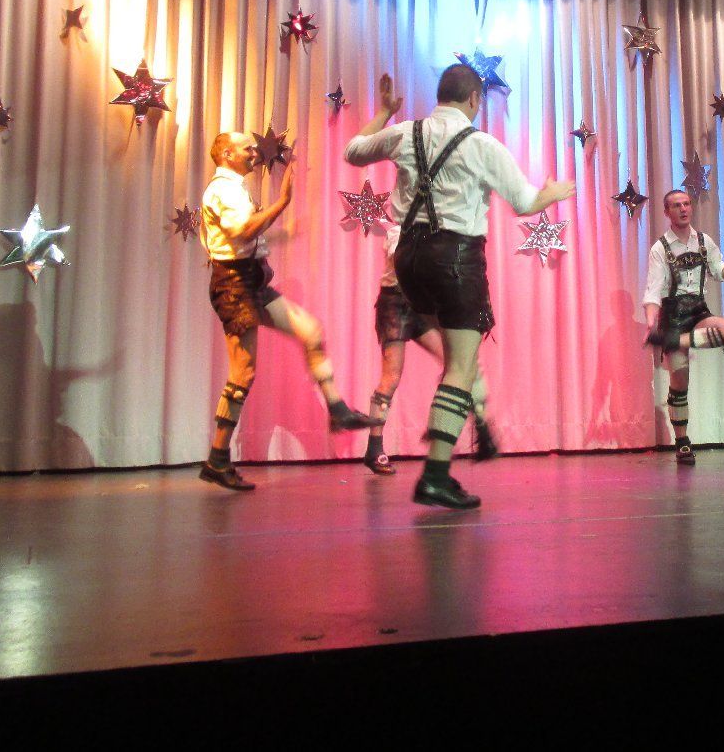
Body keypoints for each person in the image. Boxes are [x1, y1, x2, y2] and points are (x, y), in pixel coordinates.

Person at [344, 68, 575, 508]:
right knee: (461, 369)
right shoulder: (482, 144)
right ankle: (435, 475)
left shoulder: (405, 132)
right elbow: (525, 203)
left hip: (408, 262)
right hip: (454, 260)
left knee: (455, 359)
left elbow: (353, 152)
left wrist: (384, 113)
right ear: (473, 98)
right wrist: (554, 193)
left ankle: (467, 432)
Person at [198, 132, 379, 491]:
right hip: (233, 287)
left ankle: (337, 410)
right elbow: (244, 231)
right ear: (227, 154)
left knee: (310, 331)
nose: (254, 152)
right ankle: (217, 459)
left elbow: (247, 238)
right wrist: (282, 202)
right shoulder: (222, 190)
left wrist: (283, 234)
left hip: (251, 281)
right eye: (246, 148)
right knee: (243, 373)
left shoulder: (235, 189)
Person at [363, 223, 498, 475]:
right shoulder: (398, 232)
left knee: (456, 364)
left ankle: (474, 427)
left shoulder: (435, 231)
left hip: (419, 305)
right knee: (391, 377)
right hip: (394, 305)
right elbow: (408, 263)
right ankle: (374, 447)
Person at [642, 190, 724, 465]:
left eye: (686, 204)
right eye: (676, 205)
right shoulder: (660, 248)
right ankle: (682, 441)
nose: (683, 209)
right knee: (680, 381)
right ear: (667, 212)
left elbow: (719, 272)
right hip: (672, 315)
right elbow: (652, 292)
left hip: (698, 311)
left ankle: (675, 340)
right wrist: (650, 323)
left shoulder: (704, 241)